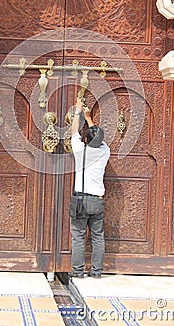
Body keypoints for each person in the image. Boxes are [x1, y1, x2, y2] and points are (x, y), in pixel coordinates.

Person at [69, 99, 110, 278]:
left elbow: (73, 133)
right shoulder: (104, 152)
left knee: (78, 236)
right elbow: (97, 137)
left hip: (80, 199)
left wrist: (78, 112)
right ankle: (97, 271)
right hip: (96, 200)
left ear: (85, 139)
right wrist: (89, 118)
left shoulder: (80, 149)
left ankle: (77, 272)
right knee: (97, 236)